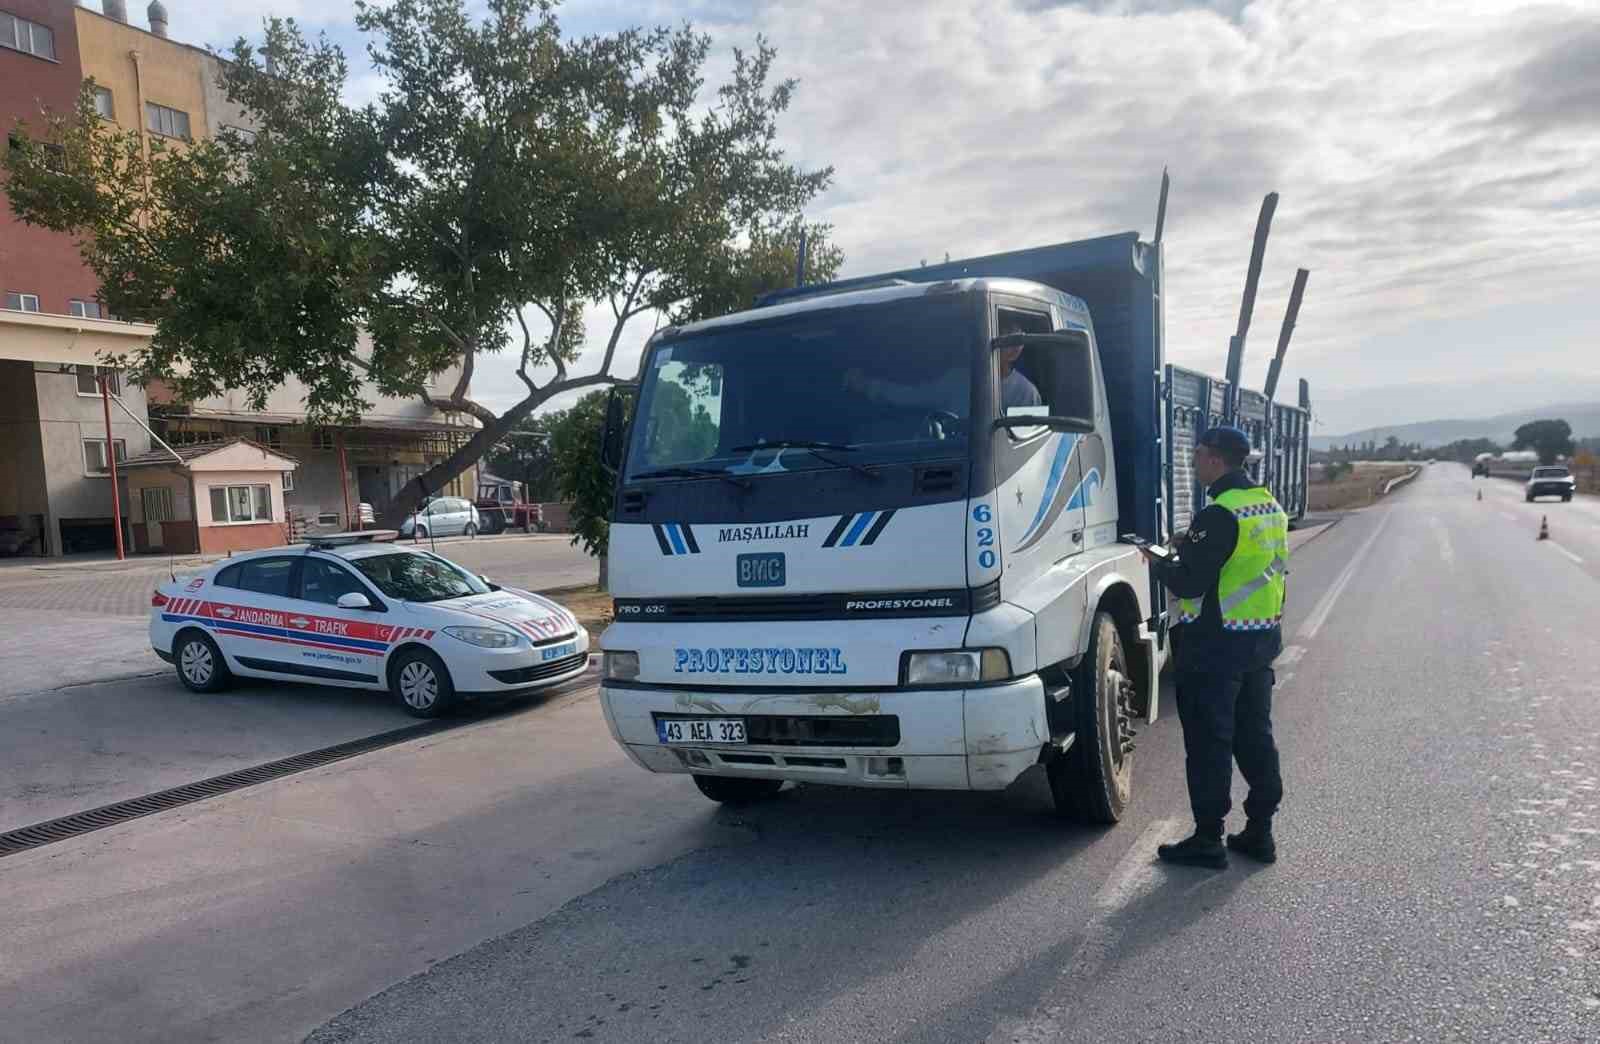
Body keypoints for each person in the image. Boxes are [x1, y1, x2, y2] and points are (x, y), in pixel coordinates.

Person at [1138, 425, 1287, 869]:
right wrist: (1194, 546)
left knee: (1209, 744)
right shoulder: (1268, 506)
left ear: (1216, 460)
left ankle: (1208, 839)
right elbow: (1247, 564)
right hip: (1259, 642)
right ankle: (1260, 832)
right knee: (1255, 738)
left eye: (1198, 454)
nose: (1194, 461)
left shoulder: (1219, 512)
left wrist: (1159, 560)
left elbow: (1190, 582)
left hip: (1214, 648)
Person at [842, 320, 1043, 414]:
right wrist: (867, 385)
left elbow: (1029, 450)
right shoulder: (956, 380)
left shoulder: (1026, 393)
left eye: (1017, 341)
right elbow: (913, 396)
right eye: (1007, 337)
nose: (1014, 346)